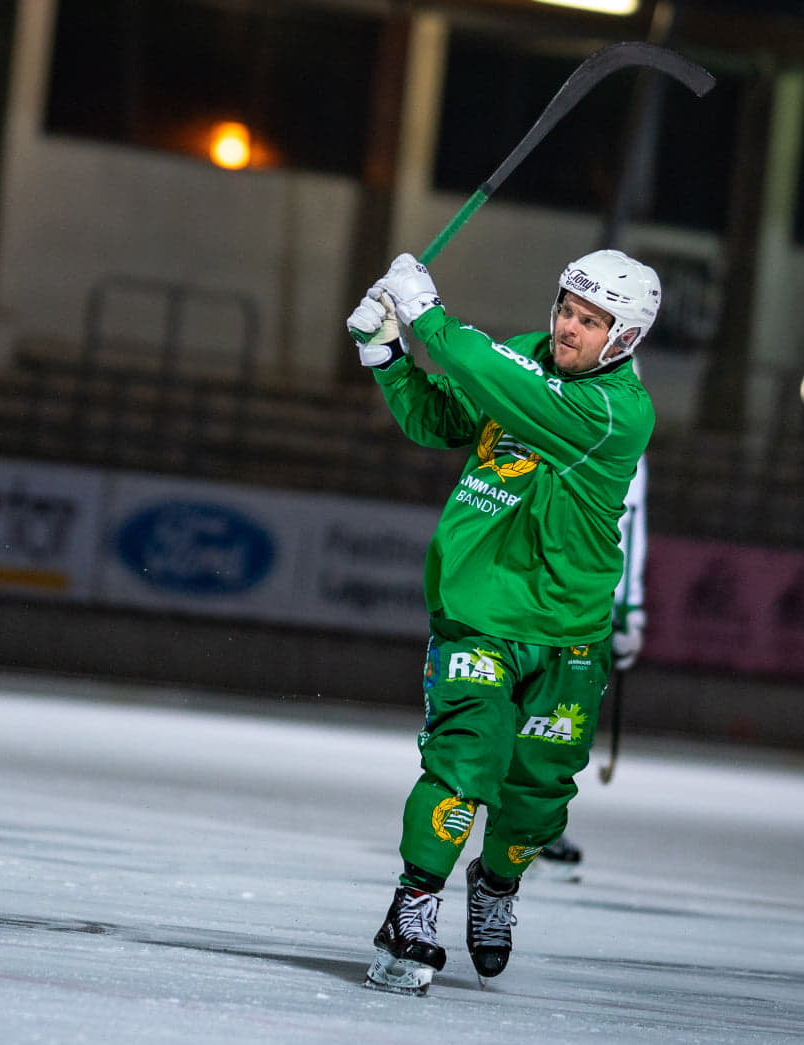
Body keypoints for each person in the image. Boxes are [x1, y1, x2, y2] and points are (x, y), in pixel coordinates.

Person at [345, 249, 659, 994]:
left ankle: (497, 887)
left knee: (536, 797)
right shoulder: (521, 356)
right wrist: (386, 353)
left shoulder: (619, 413)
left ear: (624, 339)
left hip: (569, 633)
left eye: (591, 321)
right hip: (480, 613)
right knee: (462, 760)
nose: (568, 329)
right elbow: (440, 415)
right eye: (566, 310)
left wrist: (427, 317)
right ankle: (411, 909)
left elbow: (498, 380)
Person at [534, 453, 648, 878]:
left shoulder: (628, 424)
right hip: (542, 582)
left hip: (589, 598)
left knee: (563, 715)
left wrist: (629, 606)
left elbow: (631, 524)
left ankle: (536, 821)